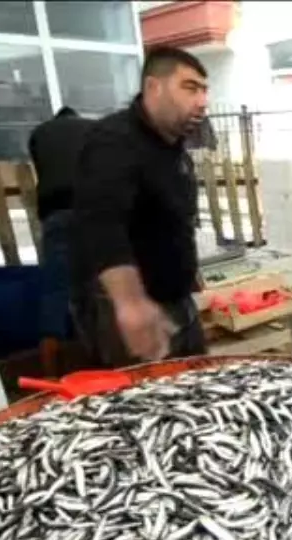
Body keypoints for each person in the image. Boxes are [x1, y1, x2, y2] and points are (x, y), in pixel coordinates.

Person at [69, 46, 209, 367]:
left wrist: (187, 271)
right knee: (149, 403)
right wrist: (130, 304)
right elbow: (100, 223)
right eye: (189, 88)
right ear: (153, 87)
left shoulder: (173, 148)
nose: (202, 101)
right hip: (129, 308)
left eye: (204, 90)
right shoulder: (113, 141)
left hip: (176, 299)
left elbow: (172, 218)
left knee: (202, 392)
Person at [28, 106, 95, 374]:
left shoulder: (39, 134)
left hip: (56, 214)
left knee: (55, 290)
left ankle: (51, 373)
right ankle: (108, 360)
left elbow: (43, 170)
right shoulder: (95, 130)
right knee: (102, 285)